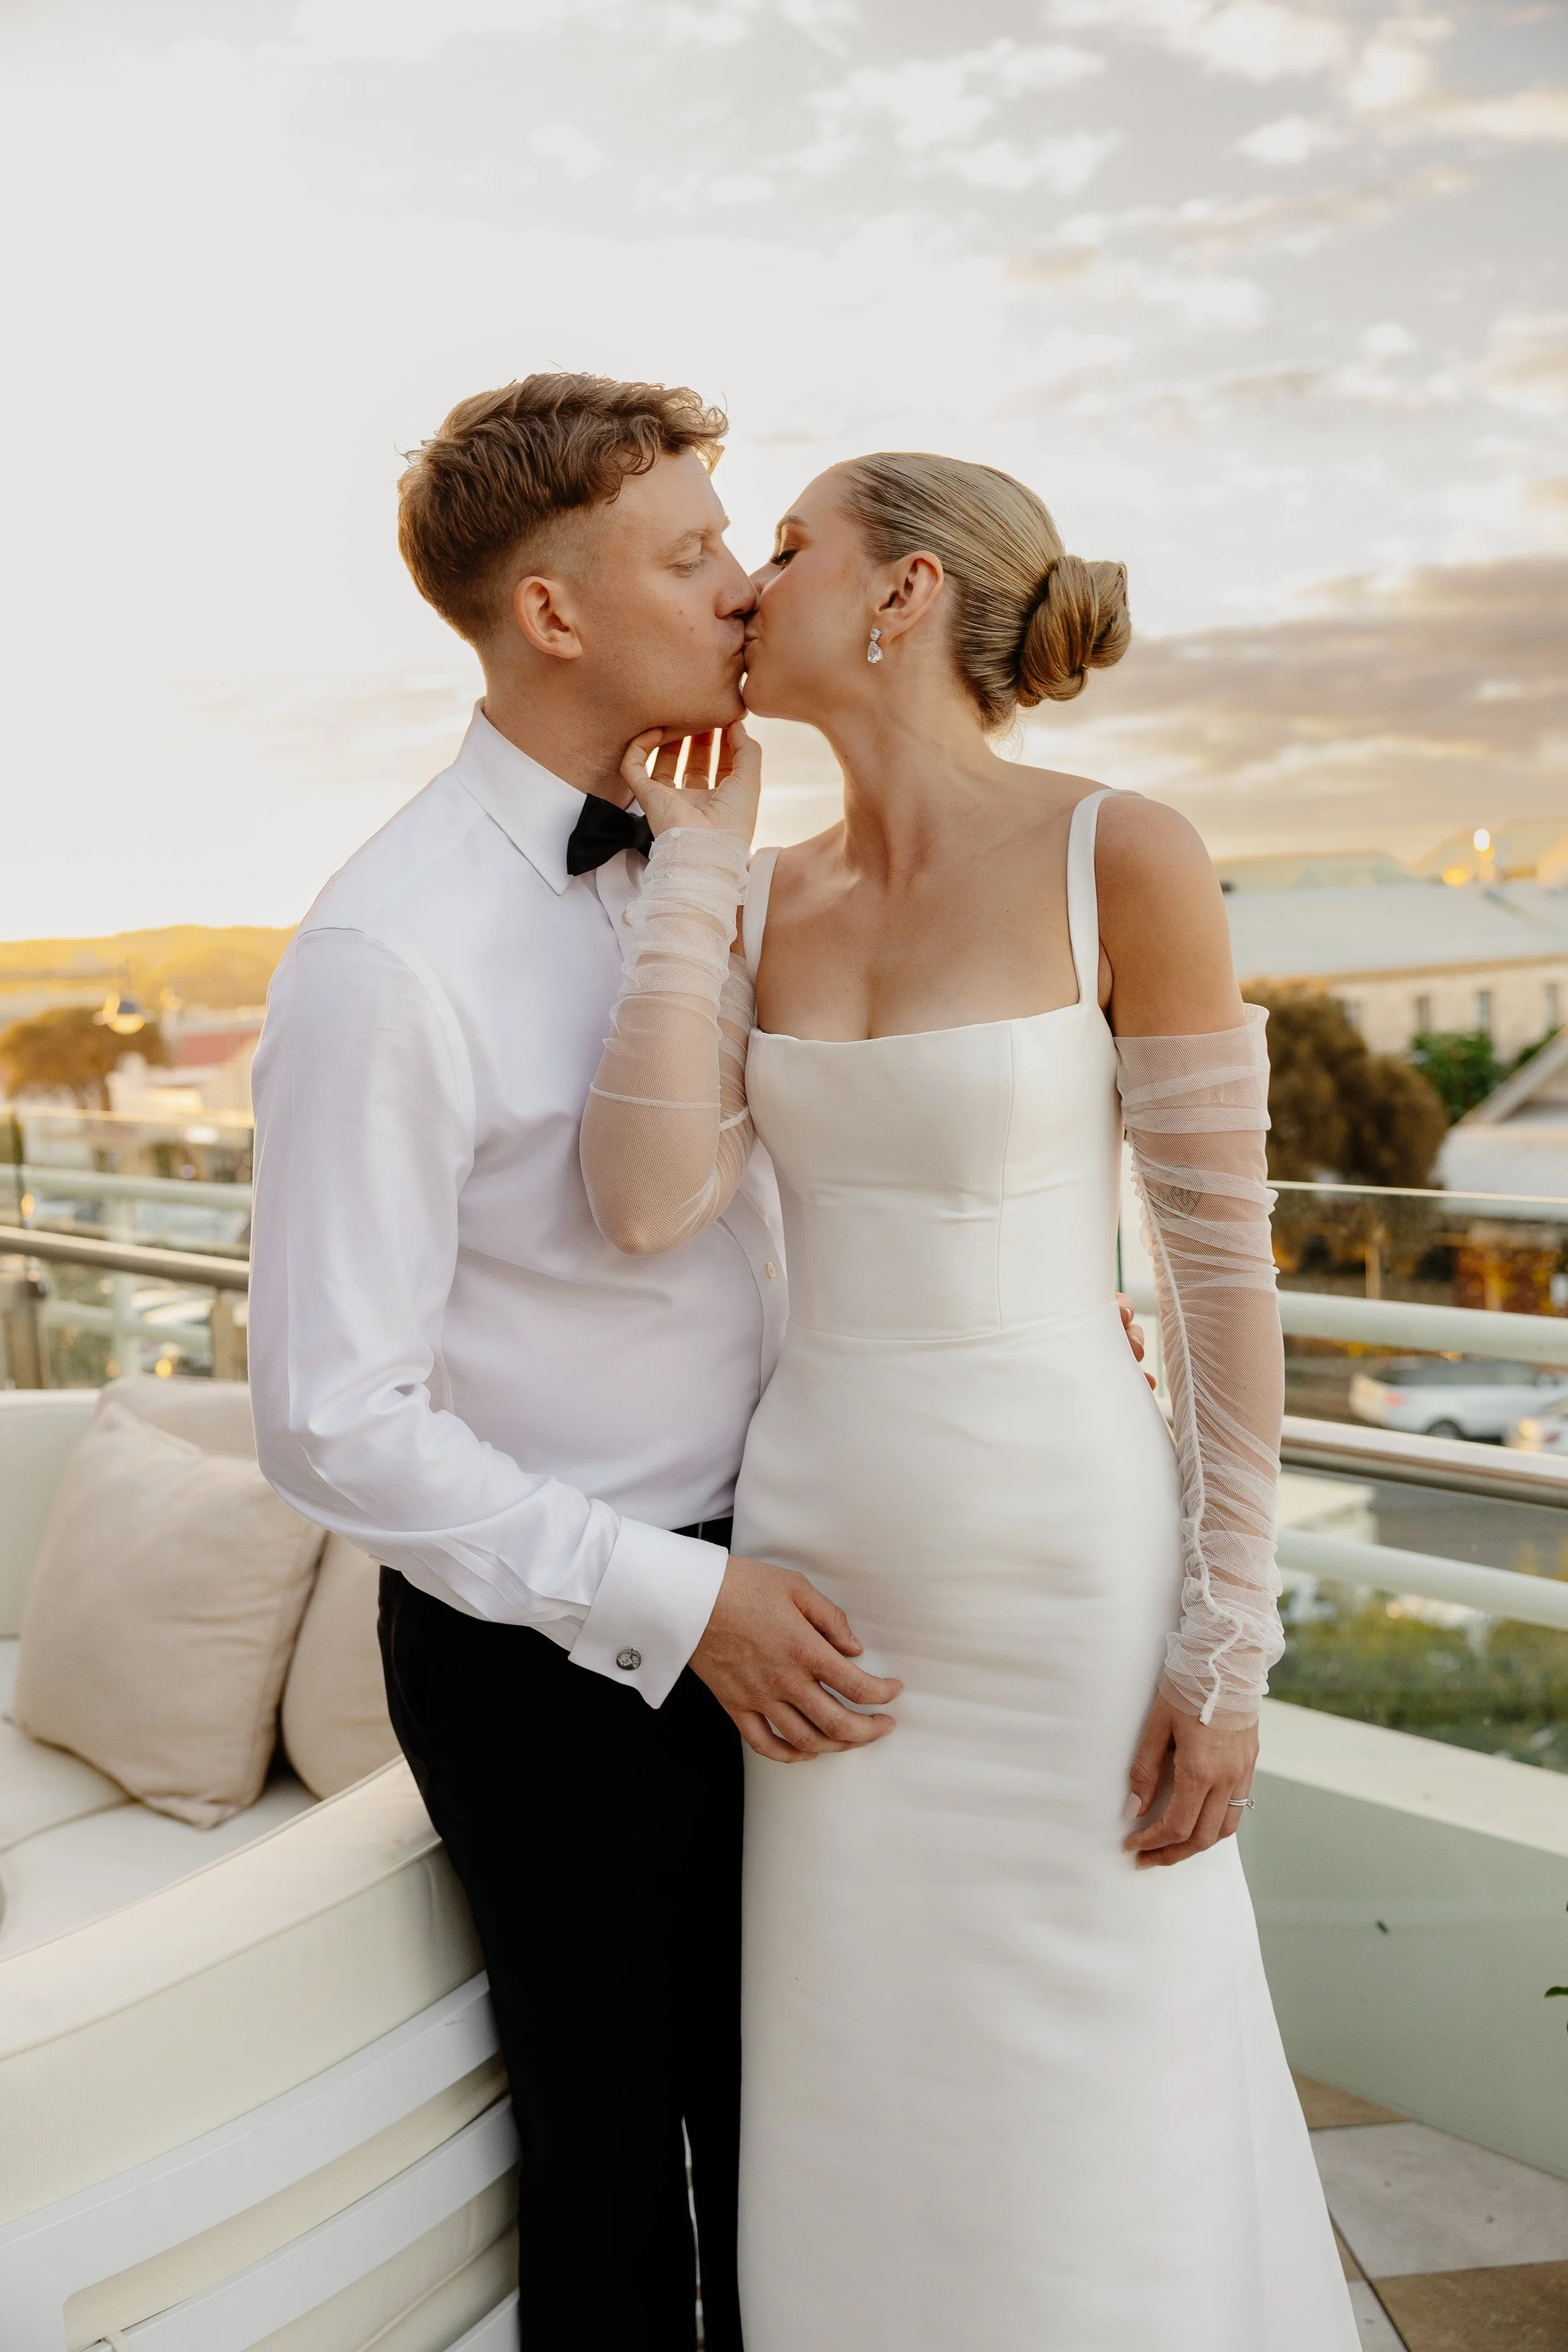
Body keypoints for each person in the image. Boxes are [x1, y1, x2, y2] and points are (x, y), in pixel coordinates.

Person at [248, 373, 1152, 2351]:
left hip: (814, 1565)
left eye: (743, 539)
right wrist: (680, 1598)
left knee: (807, 2135)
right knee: (610, 2169)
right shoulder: (385, 958)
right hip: (561, 1650)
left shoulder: (720, 852)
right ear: (554, 615)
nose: (746, 586)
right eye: (690, 554)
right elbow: (329, 1420)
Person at [578, 453, 1361, 2348]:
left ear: (904, 591)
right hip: (823, 1572)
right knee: (864, 2087)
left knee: (1099, 2077)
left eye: (787, 548)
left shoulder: (1125, 852)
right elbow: (644, 1198)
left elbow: (1216, 1282)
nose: (751, 588)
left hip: (1063, 1570)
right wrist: (692, 875)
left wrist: (1228, 1644)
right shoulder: (758, 892)